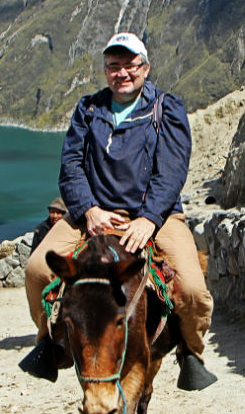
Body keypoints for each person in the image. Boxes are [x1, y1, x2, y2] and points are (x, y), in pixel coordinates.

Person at [20, 31, 216, 390]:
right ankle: (47, 342)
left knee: (190, 289)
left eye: (130, 65)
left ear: (145, 67)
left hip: (156, 217)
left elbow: (172, 171)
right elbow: (71, 167)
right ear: (105, 70)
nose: (122, 73)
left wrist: (149, 217)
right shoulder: (88, 109)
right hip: (92, 215)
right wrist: (88, 210)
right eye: (114, 66)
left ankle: (191, 351)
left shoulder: (165, 109)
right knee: (36, 270)